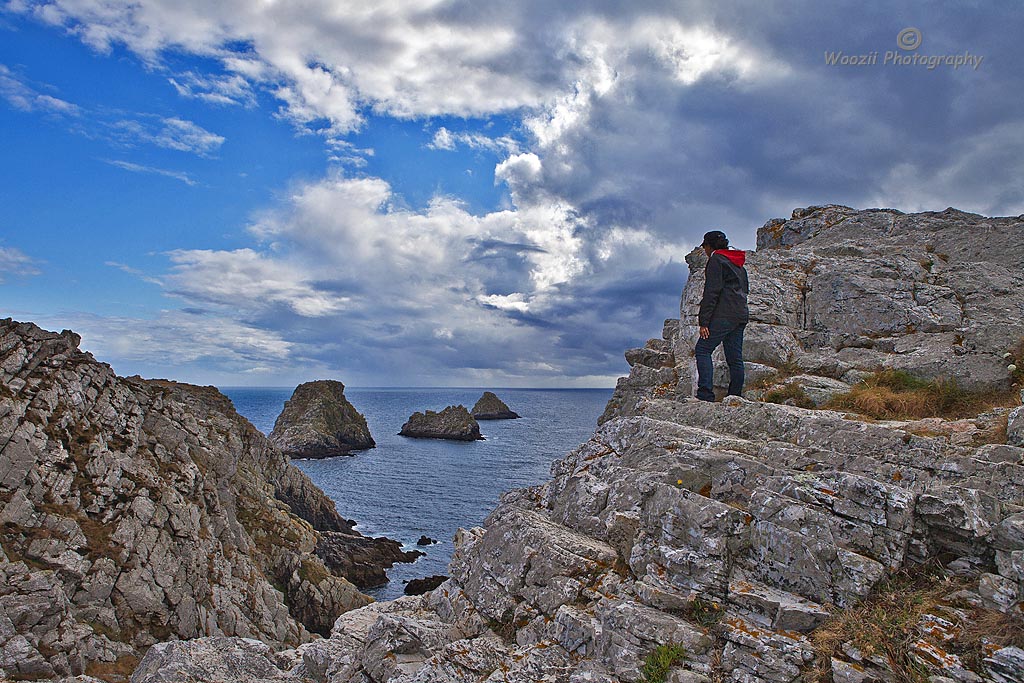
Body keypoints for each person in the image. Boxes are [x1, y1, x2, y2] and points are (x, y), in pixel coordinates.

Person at [695, 230, 749, 402]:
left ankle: (705, 395)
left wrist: (704, 322)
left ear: (709, 247)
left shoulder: (716, 260)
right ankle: (734, 396)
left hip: (723, 315)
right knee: (735, 359)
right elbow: (745, 289)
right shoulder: (738, 263)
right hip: (740, 314)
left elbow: (711, 292)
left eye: (705, 247)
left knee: (702, 350)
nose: (704, 251)